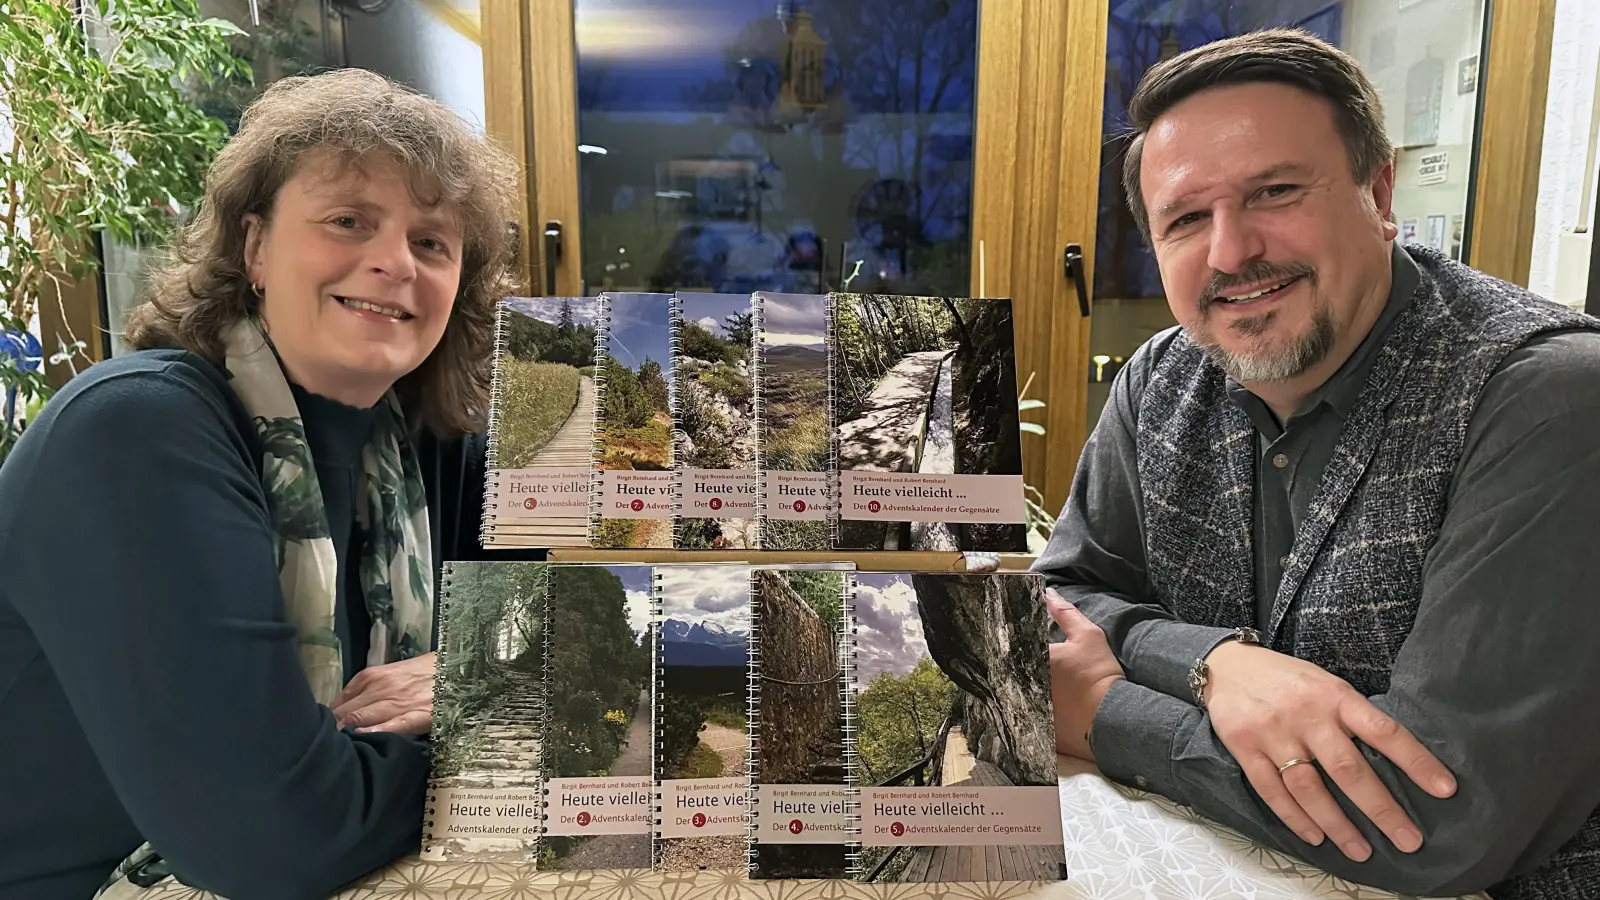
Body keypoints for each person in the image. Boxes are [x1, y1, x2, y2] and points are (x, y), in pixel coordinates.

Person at [1035, 28, 1600, 900]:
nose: (1230, 253)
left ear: (1379, 193)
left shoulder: (1544, 399)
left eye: (1276, 192)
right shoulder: (1161, 378)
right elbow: (1062, 601)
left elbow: (1434, 825)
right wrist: (1215, 664)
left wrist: (1109, 714)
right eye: (1186, 219)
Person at [0, 69, 536, 899]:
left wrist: (484, 673)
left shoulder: (436, 451)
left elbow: (582, 638)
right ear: (254, 248)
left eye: (432, 242)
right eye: (349, 220)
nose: (394, 262)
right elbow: (277, 837)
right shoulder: (137, 434)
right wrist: (492, 709)